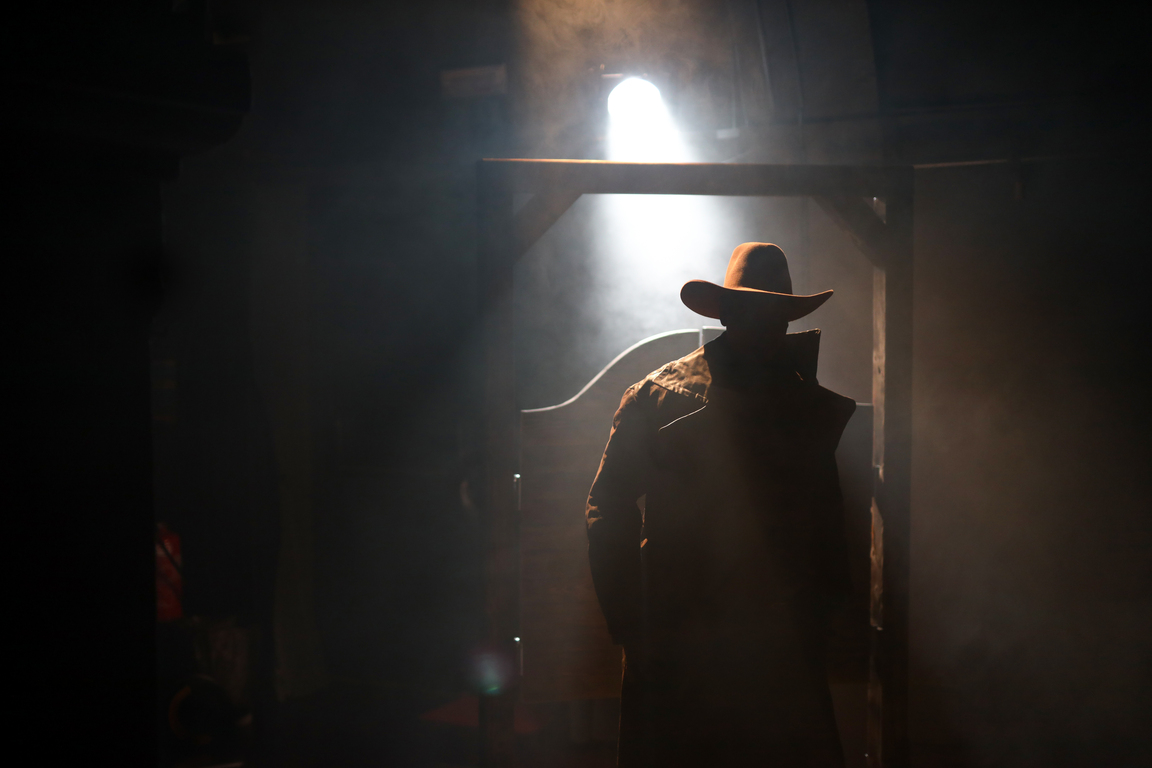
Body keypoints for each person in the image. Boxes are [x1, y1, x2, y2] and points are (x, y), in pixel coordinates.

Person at [586, 243, 856, 767]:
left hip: (774, 647)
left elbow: (825, 514)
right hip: (689, 643)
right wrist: (636, 625)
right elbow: (606, 507)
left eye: (775, 311)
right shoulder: (658, 396)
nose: (767, 322)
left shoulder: (803, 404)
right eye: (755, 308)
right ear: (727, 313)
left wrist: (824, 618)